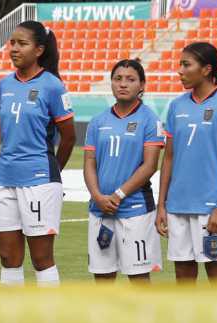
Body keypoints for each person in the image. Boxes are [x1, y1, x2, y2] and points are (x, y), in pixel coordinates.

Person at [0, 21, 76, 286]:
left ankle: (48, 322)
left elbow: (69, 137)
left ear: (39, 50)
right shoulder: (4, 85)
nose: (14, 48)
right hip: (4, 179)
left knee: (41, 258)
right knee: (7, 257)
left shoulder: (52, 86)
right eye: (12, 43)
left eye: (22, 43)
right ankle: (11, 322)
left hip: (39, 179)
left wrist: (51, 174)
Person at [156, 42, 217, 283]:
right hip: (177, 206)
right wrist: (161, 205)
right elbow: (169, 158)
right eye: (179, 64)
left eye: (186, 64)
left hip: (210, 207)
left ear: (206, 69)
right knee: (183, 276)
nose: (180, 70)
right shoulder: (176, 106)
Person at [82, 58, 164, 282]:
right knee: (103, 279)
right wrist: (98, 197)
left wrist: (118, 195)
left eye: (130, 79)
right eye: (117, 79)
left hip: (135, 209)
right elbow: (89, 162)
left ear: (142, 85)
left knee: (138, 279)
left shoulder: (150, 120)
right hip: (100, 210)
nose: (123, 84)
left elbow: (150, 166)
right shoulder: (98, 122)